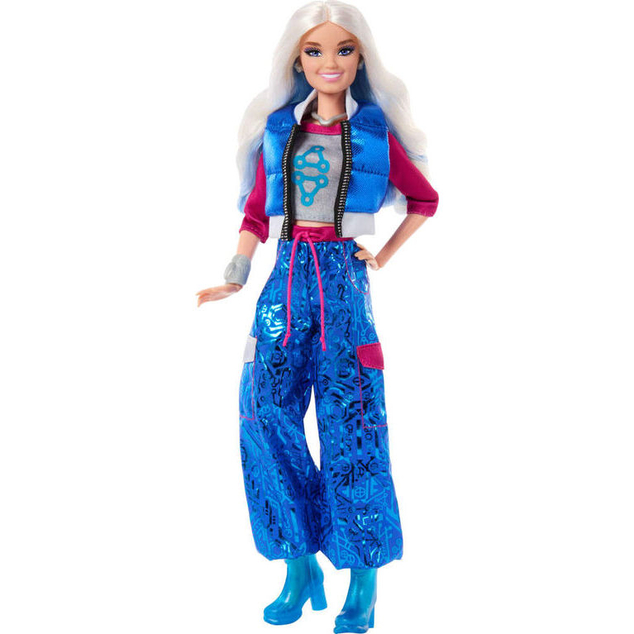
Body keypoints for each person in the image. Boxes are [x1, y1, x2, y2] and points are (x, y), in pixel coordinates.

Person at [196, 2, 439, 631]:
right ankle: (298, 566)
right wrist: (234, 275)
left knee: (353, 425)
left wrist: (380, 256)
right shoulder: (278, 130)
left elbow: (424, 199)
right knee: (261, 413)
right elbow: (256, 213)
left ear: (361, 59)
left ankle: (363, 582)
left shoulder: (375, 133)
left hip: (343, 287)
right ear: (296, 59)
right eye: (315, 50)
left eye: (344, 50)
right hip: (283, 281)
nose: (330, 62)